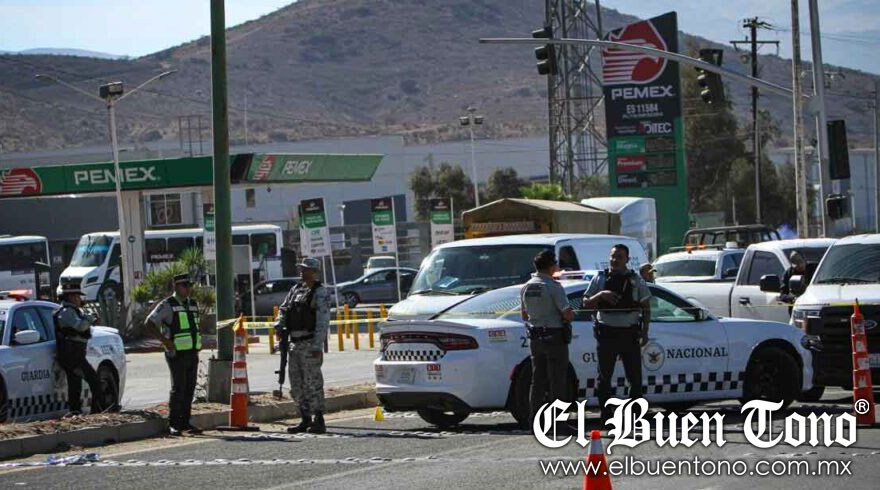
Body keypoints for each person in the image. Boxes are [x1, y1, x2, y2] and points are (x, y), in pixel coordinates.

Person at [582, 244, 651, 422]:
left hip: (629, 333)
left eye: (619, 257)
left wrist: (645, 332)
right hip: (606, 333)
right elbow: (586, 303)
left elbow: (646, 307)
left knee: (635, 378)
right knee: (604, 377)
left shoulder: (636, 280)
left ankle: (635, 415)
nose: (615, 260)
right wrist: (601, 295)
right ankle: (606, 415)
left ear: (627, 259)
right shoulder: (600, 278)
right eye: (613, 256)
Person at [275, 257, 331, 434]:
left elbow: (322, 321)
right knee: (296, 384)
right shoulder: (295, 290)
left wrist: (317, 346)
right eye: (301, 268)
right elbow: (284, 309)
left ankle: (318, 419)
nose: (302, 271)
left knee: (312, 383)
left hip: (309, 343)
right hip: (294, 344)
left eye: (305, 269)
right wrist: (279, 325)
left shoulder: (320, 292)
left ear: (314, 272)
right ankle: (305, 418)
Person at [520, 250, 575, 426]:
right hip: (554, 338)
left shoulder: (527, 286)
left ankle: (534, 422)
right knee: (557, 381)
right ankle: (559, 423)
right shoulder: (553, 286)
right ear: (551, 266)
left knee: (537, 381)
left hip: (536, 339)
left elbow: (524, 315)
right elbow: (567, 314)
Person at [145, 274, 203, 436]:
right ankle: (174, 424)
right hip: (176, 353)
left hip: (192, 352)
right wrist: (164, 341)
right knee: (178, 388)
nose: (188, 288)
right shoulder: (167, 304)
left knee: (190, 388)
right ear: (176, 286)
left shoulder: (193, 304)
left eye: (189, 285)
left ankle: (185, 422)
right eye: (185, 285)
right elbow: (149, 323)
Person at [54, 281, 105, 416]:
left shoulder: (74, 311)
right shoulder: (66, 312)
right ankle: (99, 410)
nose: (79, 299)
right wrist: (90, 319)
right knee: (94, 380)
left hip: (76, 354)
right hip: (72, 355)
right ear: (70, 297)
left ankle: (75, 411)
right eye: (77, 296)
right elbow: (80, 326)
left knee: (75, 384)